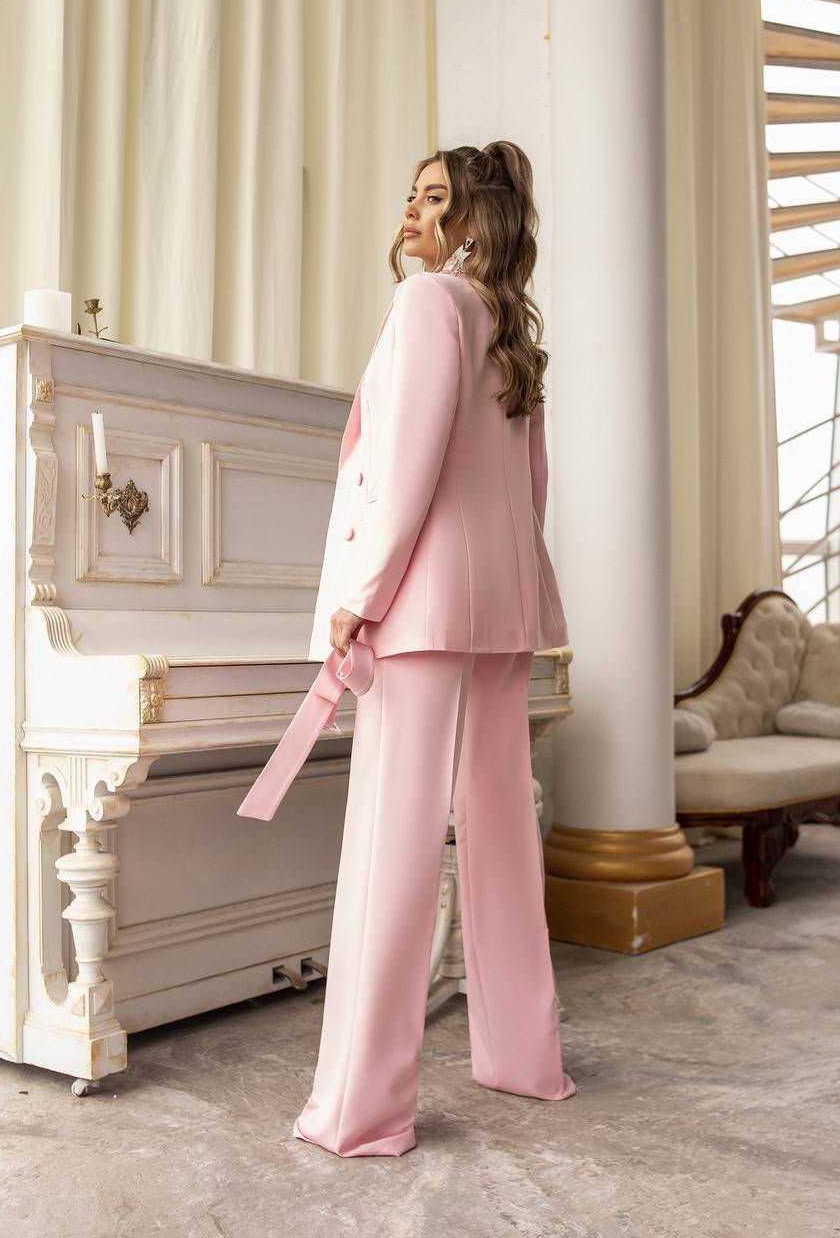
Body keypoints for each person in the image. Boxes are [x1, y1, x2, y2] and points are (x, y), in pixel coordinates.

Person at [293, 141, 577, 1158]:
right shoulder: (510, 325)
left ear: (469, 222)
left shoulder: (428, 307)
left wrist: (360, 594)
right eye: (410, 195)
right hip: (502, 607)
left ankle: (360, 1108)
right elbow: (530, 493)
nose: (411, 212)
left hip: (419, 611)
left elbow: (404, 469)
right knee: (499, 841)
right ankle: (521, 1057)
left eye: (434, 198)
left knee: (391, 848)